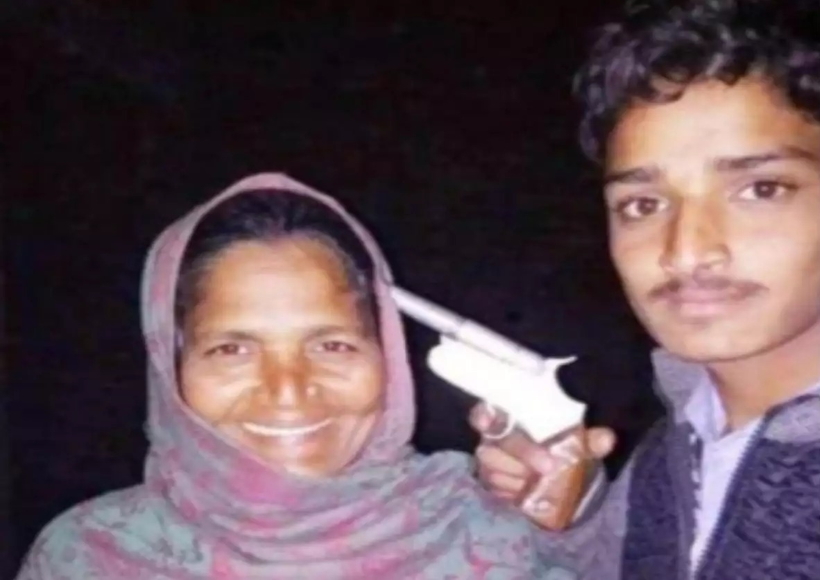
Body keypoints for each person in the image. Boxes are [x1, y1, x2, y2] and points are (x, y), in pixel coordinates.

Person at [15, 172, 590, 579]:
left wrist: (586, 519)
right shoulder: (87, 557)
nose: (288, 391)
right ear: (171, 363)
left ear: (386, 351)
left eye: (332, 344)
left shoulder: (496, 531)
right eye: (233, 349)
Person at [474, 0, 820, 578]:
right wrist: (578, 515)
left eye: (760, 189)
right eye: (643, 205)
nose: (685, 250)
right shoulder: (666, 456)